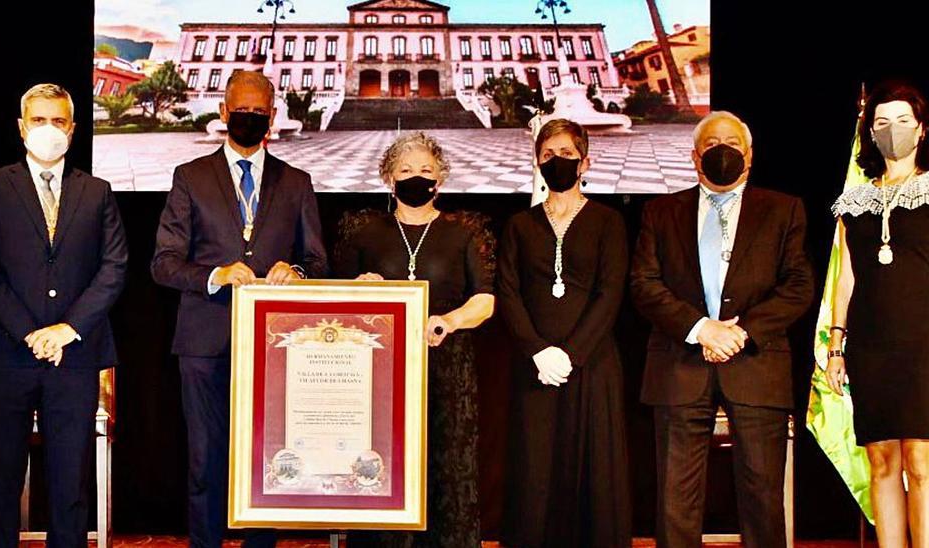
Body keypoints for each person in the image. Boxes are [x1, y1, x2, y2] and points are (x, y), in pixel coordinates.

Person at [151, 69, 328, 548]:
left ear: (271, 117)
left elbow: (316, 259)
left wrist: (298, 273)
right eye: (241, 111)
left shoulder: (297, 182)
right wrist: (214, 275)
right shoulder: (189, 177)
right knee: (205, 460)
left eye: (259, 112)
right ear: (224, 112)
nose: (249, 118)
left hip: (276, 346)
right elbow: (163, 264)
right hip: (204, 342)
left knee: (266, 460)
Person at [630, 111, 813, 548]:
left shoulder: (783, 209)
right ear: (695, 158)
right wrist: (700, 329)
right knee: (675, 500)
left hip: (756, 364)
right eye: (711, 145)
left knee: (763, 497)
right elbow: (643, 283)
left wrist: (739, 333)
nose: (722, 152)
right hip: (679, 365)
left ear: (749, 156)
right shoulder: (660, 211)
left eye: (731, 144)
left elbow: (799, 285)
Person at [0, 83, 128, 547]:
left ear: (73, 130)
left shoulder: (97, 192)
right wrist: (30, 332)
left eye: (58, 121)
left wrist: (67, 329)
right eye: (39, 120)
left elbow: (114, 266)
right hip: (4, 355)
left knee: (69, 486)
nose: (49, 129)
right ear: (21, 127)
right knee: (0, 483)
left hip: (74, 359)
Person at [334, 131, 496, 548]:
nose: (416, 178)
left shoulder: (466, 230)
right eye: (405, 170)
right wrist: (358, 286)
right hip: (380, 376)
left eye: (426, 170)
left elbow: (485, 301)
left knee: (446, 473)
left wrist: (449, 320)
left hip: (447, 371)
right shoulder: (363, 231)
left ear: (440, 177)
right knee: (384, 469)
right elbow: (335, 299)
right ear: (389, 177)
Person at [497, 119, 631, 547]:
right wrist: (538, 352)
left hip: (592, 365)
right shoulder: (519, 225)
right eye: (548, 156)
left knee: (594, 471)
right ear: (537, 162)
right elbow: (508, 291)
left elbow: (610, 294)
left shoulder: (609, 222)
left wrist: (569, 355)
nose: (557, 162)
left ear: (585, 162)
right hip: (535, 369)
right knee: (535, 469)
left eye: (567, 156)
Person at [827, 80, 929, 548]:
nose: (893, 130)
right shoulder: (854, 202)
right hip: (870, 347)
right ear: (870, 132)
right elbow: (846, 277)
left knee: (921, 464)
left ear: (922, 129)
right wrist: (835, 346)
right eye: (882, 122)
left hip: (922, 344)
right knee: (882, 461)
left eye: (903, 121)